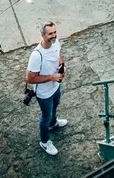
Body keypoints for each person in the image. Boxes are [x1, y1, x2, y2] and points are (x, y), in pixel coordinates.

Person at [26, 22, 69, 156]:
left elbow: (58, 56)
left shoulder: (56, 43)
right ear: (43, 35)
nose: (54, 35)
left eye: (55, 32)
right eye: (50, 33)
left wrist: (62, 66)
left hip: (55, 86)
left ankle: (53, 123)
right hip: (43, 93)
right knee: (45, 116)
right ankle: (44, 141)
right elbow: (30, 78)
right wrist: (51, 77)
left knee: (55, 106)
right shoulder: (36, 55)